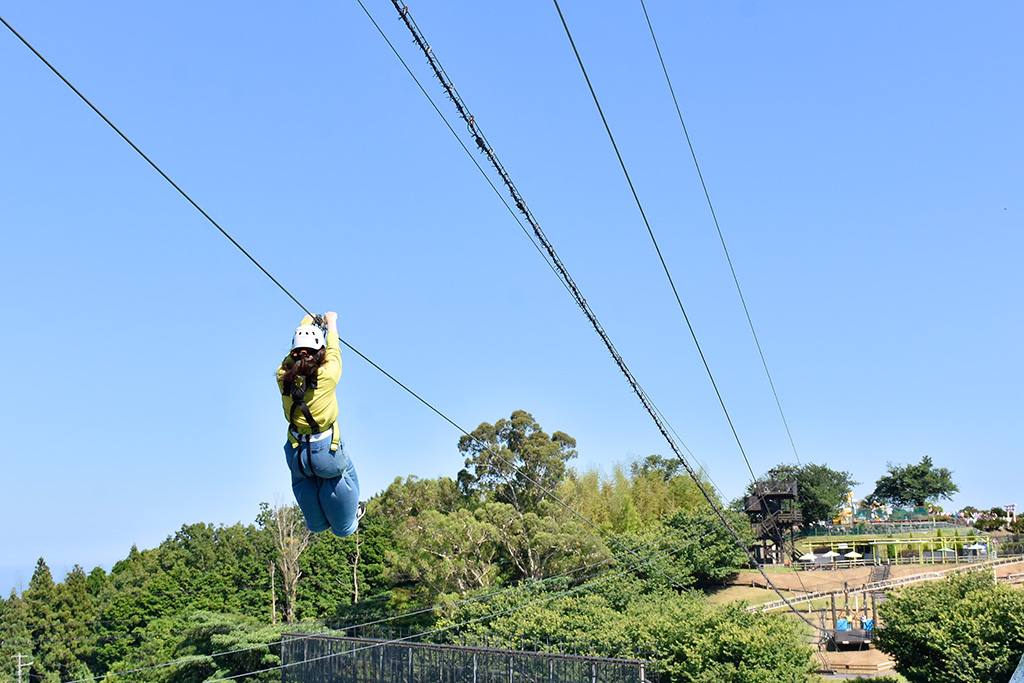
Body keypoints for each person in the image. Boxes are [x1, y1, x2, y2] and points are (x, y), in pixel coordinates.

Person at [277, 311, 362, 536]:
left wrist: (306, 321)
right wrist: (331, 323)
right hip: (326, 453)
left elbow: (290, 359)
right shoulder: (327, 375)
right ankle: (349, 520)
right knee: (342, 476)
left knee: (305, 483)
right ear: (319, 353)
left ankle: (316, 523)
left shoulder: (282, 377)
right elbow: (334, 352)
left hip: (297, 455)